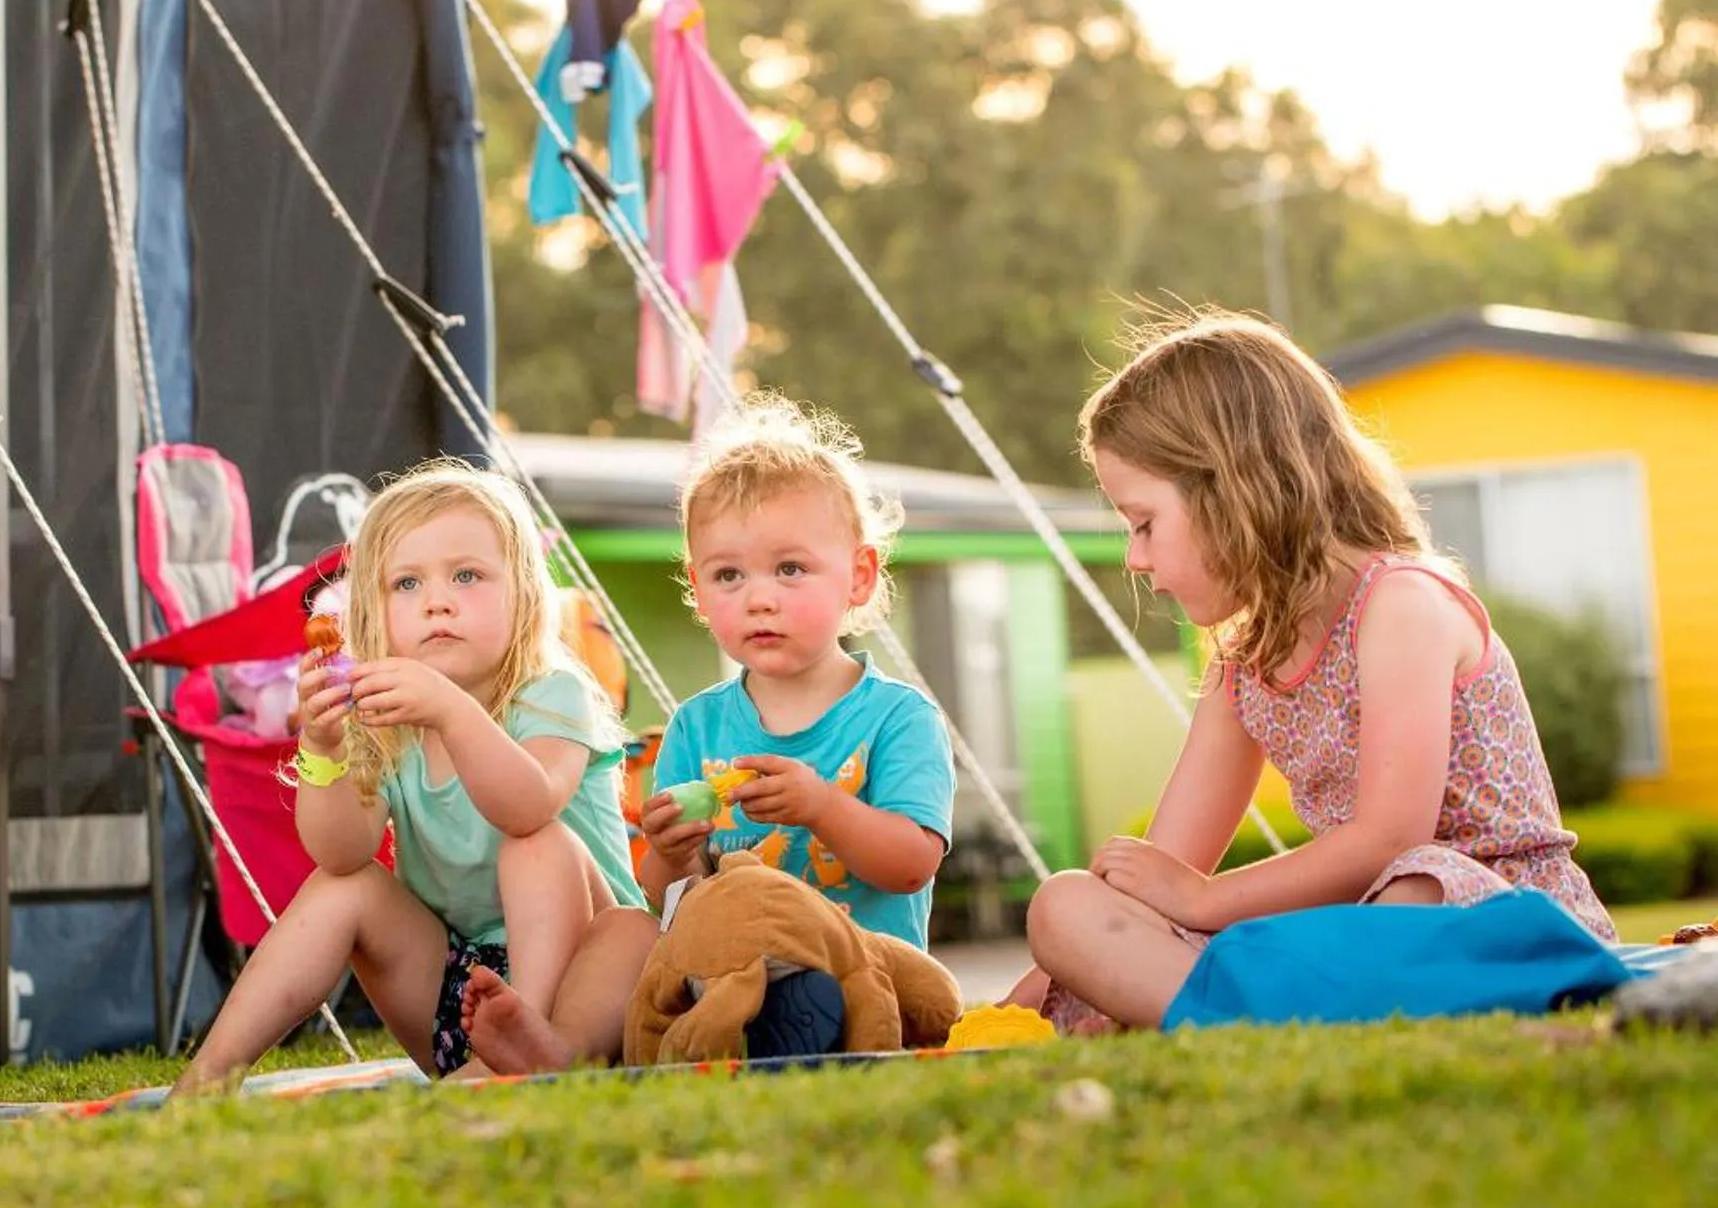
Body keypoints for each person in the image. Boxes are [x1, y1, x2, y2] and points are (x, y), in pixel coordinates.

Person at [1011, 313, 1615, 1033]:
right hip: (1349, 936)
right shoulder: (1245, 663)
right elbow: (1158, 875)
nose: (1135, 560)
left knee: (1414, 885)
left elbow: (1389, 839)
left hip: (1489, 919)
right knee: (1066, 903)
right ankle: (1259, 1014)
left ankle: (1233, 1008)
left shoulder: (1401, 603)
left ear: (1231, 493)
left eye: (1144, 523)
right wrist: (1012, 1006)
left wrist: (1203, 903)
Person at [460, 394, 955, 1073]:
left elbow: (911, 864)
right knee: (637, 938)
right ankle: (569, 1046)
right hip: (728, 977)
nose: (759, 596)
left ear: (859, 576)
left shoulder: (898, 716)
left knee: (810, 994)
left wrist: (822, 806)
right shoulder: (698, 725)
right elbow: (674, 901)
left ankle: (771, 1033)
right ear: (698, 587)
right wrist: (667, 850)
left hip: (866, 977)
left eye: (790, 568)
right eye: (729, 574)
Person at [170, 460, 647, 1093]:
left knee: (550, 853)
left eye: (467, 576)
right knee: (347, 889)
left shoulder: (553, 693)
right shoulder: (388, 723)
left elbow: (528, 806)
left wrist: (452, 712)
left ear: (524, 595)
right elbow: (341, 854)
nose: (437, 601)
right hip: (460, 1004)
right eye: (407, 584)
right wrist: (323, 745)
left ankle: (533, 1047)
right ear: (374, 611)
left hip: (593, 994)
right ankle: (208, 1075)